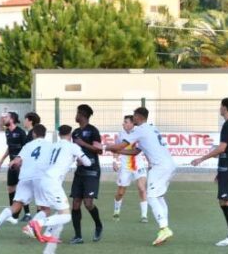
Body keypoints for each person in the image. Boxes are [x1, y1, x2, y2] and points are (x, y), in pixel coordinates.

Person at [101, 107, 176, 246]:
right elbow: (135, 151)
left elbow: (120, 145)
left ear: (139, 117)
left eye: (134, 116)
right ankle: (164, 226)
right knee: (159, 197)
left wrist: (105, 147)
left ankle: (164, 228)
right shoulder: (151, 128)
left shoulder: (139, 130)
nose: (133, 118)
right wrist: (118, 151)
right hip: (169, 165)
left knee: (151, 196)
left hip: (159, 167)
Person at [0, 124, 50, 239]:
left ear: (34, 134)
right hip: (40, 177)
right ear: (45, 134)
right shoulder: (50, 146)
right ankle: (31, 227)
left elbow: (16, 161)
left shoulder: (28, 145)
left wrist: (12, 164)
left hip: (25, 177)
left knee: (15, 206)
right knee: (46, 209)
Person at [27, 124, 92, 243]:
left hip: (45, 180)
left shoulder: (53, 146)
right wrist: (78, 161)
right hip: (53, 183)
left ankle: (47, 233)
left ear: (59, 134)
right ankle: (37, 223)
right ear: (70, 135)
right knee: (66, 216)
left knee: (59, 209)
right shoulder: (73, 146)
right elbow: (88, 163)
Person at [191, 97, 228, 246]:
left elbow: (222, 148)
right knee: (222, 201)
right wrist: (219, 172)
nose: (219, 109)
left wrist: (201, 159)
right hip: (225, 168)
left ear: (225, 108)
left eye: (221, 106)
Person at [70, 104, 104, 244]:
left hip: (92, 171)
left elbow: (99, 150)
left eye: (77, 113)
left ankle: (98, 225)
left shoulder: (93, 131)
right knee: (76, 204)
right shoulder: (75, 132)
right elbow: (75, 150)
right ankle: (78, 236)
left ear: (82, 114)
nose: (75, 115)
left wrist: (83, 143)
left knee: (88, 203)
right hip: (80, 172)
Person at [112, 115, 149, 223]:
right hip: (125, 166)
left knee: (142, 188)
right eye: (123, 122)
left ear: (132, 124)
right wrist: (115, 161)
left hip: (139, 165)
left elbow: (146, 147)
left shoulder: (139, 132)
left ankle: (144, 215)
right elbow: (116, 149)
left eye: (126, 122)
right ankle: (116, 211)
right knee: (120, 193)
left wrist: (150, 162)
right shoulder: (120, 135)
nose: (123, 124)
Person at [0, 111, 27, 224]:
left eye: (6, 117)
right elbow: (9, 147)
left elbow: (26, 149)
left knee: (22, 188)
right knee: (11, 188)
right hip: (11, 163)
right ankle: (12, 213)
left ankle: (27, 213)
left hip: (20, 164)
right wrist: (2, 159)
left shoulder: (21, 132)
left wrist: (19, 161)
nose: (4, 119)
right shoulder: (7, 132)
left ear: (12, 119)